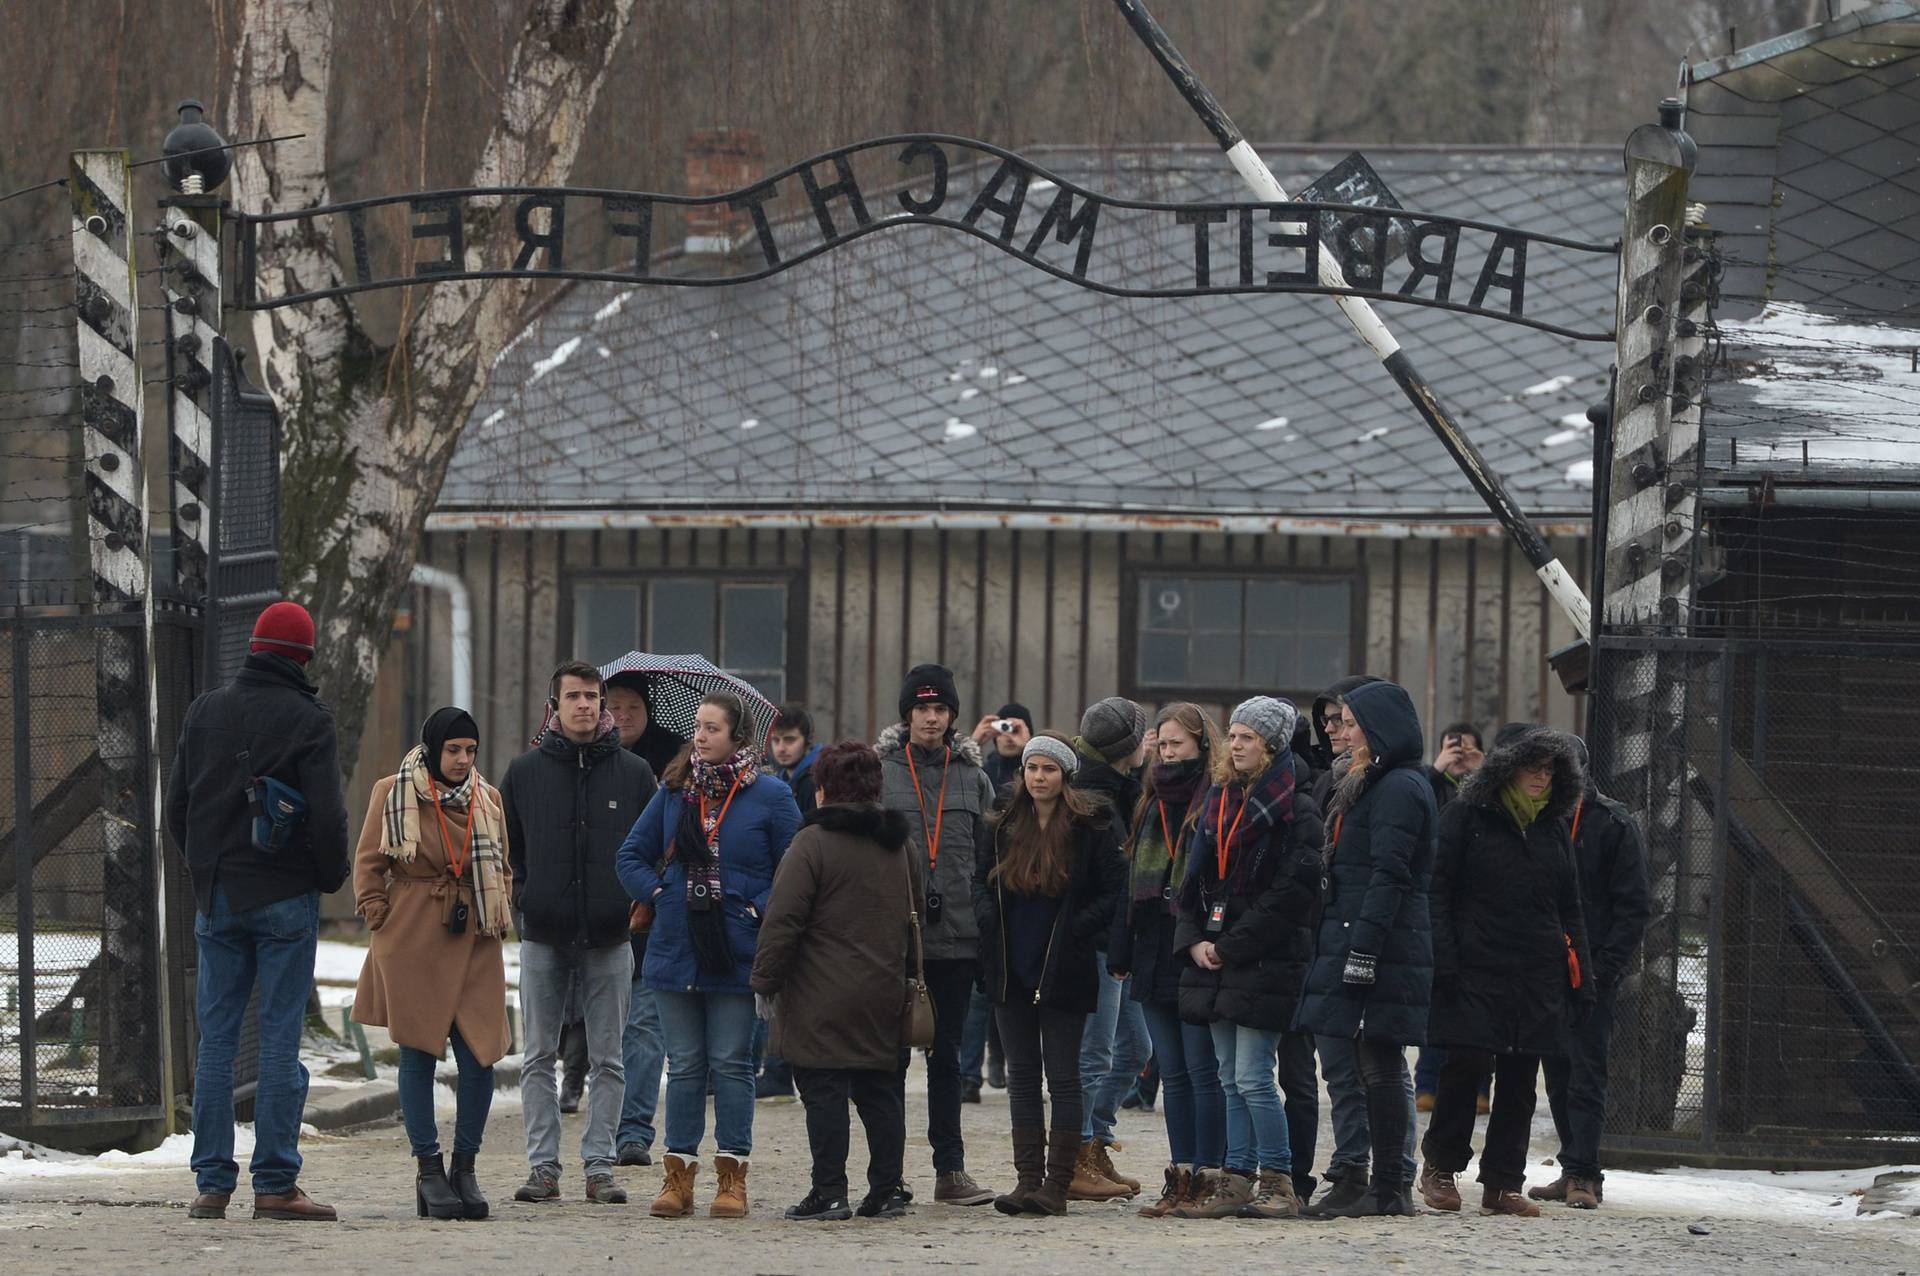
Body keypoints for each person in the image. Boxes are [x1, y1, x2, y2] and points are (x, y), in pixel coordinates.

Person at [165, 601, 350, 1222]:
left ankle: (212, 1182)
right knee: (276, 1039)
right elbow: (327, 817)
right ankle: (274, 1183)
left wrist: (204, 869)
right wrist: (327, 877)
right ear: (302, 657)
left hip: (217, 898)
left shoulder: (204, 711)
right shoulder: (310, 719)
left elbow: (177, 808)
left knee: (215, 1043)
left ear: (253, 648)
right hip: (284, 898)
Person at [618, 692, 802, 1220]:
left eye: (712, 728)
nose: (700, 736)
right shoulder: (675, 792)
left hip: (739, 952)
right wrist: (658, 895)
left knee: (731, 1064)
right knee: (685, 1067)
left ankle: (732, 1178)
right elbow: (631, 853)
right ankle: (677, 1177)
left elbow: (793, 869)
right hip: (676, 948)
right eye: (697, 727)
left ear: (738, 737)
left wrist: (755, 909)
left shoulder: (771, 795)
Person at [1419, 726, 1594, 1218]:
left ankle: (1502, 1182)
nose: (1542, 777)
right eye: (1533, 766)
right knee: (1466, 1065)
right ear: (1506, 767)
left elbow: (1569, 906)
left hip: (1538, 971)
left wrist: (1582, 974)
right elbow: (1437, 891)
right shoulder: (1465, 815)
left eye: (1549, 769)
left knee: (1521, 1078)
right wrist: (1445, 958)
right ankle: (1440, 1166)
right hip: (1475, 967)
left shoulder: (1552, 826)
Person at [502, 660, 657, 1206]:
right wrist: (529, 893)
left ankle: (599, 1167)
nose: (587, 705)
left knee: (610, 1058)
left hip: (612, 935)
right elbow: (511, 846)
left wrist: (635, 902)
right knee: (539, 1056)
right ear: (556, 705)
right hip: (544, 932)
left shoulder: (635, 773)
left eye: (594, 696)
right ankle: (543, 1167)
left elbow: (650, 846)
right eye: (575, 696)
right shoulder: (524, 772)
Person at [352, 707, 513, 1220]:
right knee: (419, 1054)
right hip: (414, 935)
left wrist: (499, 903)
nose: (463, 760)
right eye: (454, 750)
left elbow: (504, 865)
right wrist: (378, 914)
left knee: (481, 1055)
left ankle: (465, 1167)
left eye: (471, 750)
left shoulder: (489, 799)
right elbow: (369, 861)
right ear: (433, 748)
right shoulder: (393, 790)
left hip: (477, 934)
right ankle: (428, 1170)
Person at [750, 742, 917, 1222]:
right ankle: (886, 1190)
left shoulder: (812, 844)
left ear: (822, 790)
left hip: (820, 991)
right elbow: (917, 909)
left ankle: (830, 1191)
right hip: (884, 986)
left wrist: (765, 979)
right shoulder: (900, 843)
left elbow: (783, 920)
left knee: (823, 1091)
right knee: (881, 1092)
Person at [1171, 697, 1322, 1221]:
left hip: (1265, 961)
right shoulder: (1218, 799)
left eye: (1248, 737)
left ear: (1273, 745)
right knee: (1229, 1075)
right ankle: (1236, 1179)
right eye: (1233, 735)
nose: (1235, 745)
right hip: (1213, 956)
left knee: (1256, 1075)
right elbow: (1189, 885)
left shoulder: (1297, 808)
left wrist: (1230, 945)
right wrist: (1194, 941)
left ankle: (1278, 1181)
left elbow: (1291, 895)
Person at [1294, 680, 1436, 1218]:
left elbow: (1390, 876)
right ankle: (1364, 1180)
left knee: (1378, 1063)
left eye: (1350, 723)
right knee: (1359, 1061)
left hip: (1380, 941)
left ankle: (1391, 1185)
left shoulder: (1399, 786)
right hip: (1352, 932)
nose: (1341, 732)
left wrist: (1364, 951)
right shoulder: (1368, 782)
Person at [974, 734, 1126, 1217]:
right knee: (1021, 1076)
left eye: (1048, 769)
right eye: (1031, 768)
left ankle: (1058, 1184)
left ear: (1066, 775)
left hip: (1063, 965)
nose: (1038, 778)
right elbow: (979, 882)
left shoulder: (1090, 825)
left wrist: (1077, 932)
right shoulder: (1002, 824)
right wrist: (987, 922)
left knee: (1063, 1077)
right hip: (1009, 963)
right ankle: (1027, 1180)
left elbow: (1114, 890)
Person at [876, 664, 999, 1205]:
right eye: (923, 708)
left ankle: (950, 1171)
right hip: (894, 939)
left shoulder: (973, 778)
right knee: (889, 1058)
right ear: (907, 713)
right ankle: (890, 1176)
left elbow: (989, 856)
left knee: (946, 1055)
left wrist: (981, 913)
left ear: (952, 716)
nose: (932, 717)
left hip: (957, 939)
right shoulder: (880, 773)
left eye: (941, 709)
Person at [1108, 703, 1227, 1218]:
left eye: (1178, 743)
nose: (1167, 750)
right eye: (1162, 741)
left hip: (1193, 949)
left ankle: (1209, 1174)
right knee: (1172, 1073)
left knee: (1204, 1071)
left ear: (1202, 745)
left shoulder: (1216, 797)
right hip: (1152, 948)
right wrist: (1122, 947)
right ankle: (1179, 1174)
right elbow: (1129, 877)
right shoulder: (1149, 796)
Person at [1530, 735, 1651, 1211]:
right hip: (1543, 969)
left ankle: (1583, 1172)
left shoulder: (1613, 823)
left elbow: (1634, 906)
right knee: (1556, 1074)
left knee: (1586, 1072)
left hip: (1592, 972)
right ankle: (1571, 1166)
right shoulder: (1538, 819)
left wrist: (1605, 970)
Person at [1071, 696, 1153, 1198]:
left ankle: (1097, 1136)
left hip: (1120, 943)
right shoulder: (1097, 801)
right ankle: (1078, 1151)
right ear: (1127, 747)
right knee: (1095, 1054)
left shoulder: (1121, 790)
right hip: (1100, 944)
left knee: (1136, 1049)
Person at [606, 670, 677, 1166]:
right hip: (597, 913)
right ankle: (603, 1124)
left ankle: (634, 1131)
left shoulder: (676, 764)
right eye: (616, 705)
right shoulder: (590, 760)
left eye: (634, 706)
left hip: (653, 910)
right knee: (604, 1029)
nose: (624, 715)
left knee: (644, 1027)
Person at [1413, 720, 1488, 1110]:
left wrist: (1483, 768)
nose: (1460, 755)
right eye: (1452, 747)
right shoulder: (1433, 784)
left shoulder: (1487, 788)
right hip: (1438, 900)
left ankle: (1479, 1091)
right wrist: (1439, 766)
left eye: (1467, 749)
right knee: (1436, 1002)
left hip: (1476, 907)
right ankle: (1426, 1084)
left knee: (1478, 1008)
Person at [608, 670, 687, 778]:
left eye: (634, 707)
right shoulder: (590, 751)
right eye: (615, 708)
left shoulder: (677, 753)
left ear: (647, 709)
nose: (625, 716)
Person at [970, 701, 1034, 792]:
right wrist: (971, 744)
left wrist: (1029, 749)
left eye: (1015, 730)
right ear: (995, 734)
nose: (1009, 737)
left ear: (1028, 734)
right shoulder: (984, 773)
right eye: (1003, 729)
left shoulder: (1037, 773)